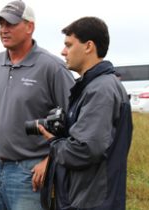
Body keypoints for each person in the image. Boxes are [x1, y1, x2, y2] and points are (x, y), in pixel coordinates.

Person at [0, 1, 75, 209]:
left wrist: (50, 160)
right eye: (0, 25)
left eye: (11, 24)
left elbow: (75, 119)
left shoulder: (52, 67)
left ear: (30, 27)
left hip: (30, 172)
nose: (4, 30)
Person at [38, 17, 133, 210]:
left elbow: (85, 150)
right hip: (84, 198)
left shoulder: (101, 89)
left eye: (69, 45)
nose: (63, 52)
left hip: (92, 202)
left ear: (88, 46)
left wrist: (54, 142)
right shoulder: (92, 87)